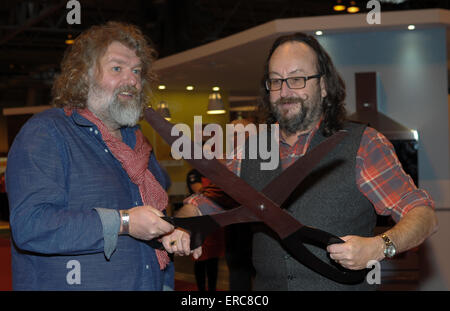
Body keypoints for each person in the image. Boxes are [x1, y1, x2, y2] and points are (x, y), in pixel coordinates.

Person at [179, 32, 438, 290]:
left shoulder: (364, 145)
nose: (285, 91)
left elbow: (422, 214)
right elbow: (205, 202)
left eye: (297, 78)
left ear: (324, 86)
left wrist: (381, 246)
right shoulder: (249, 150)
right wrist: (188, 222)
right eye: (276, 81)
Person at [5, 21, 197, 290]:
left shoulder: (139, 145)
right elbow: (31, 226)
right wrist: (124, 222)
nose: (131, 80)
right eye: (117, 68)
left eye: (136, 71)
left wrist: (168, 231)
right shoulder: (47, 132)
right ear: (83, 77)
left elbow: (152, 218)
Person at [185, 169, 225, 291]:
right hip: (200, 219)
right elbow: (199, 190)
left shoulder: (215, 172)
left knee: (213, 259)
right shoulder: (194, 173)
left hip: (213, 220)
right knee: (200, 259)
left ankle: (212, 289)